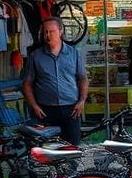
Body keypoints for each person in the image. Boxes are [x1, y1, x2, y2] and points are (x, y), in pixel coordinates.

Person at [22, 16, 89, 145]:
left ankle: (71, 165)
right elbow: (27, 84)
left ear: (60, 31)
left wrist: (82, 100)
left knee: (72, 145)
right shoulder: (36, 56)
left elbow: (83, 79)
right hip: (45, 110)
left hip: (71, 108)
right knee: (46, 148)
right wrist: (34, 106)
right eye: (45, 32)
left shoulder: (73, 53)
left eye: (51, 31)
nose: (48, 35)